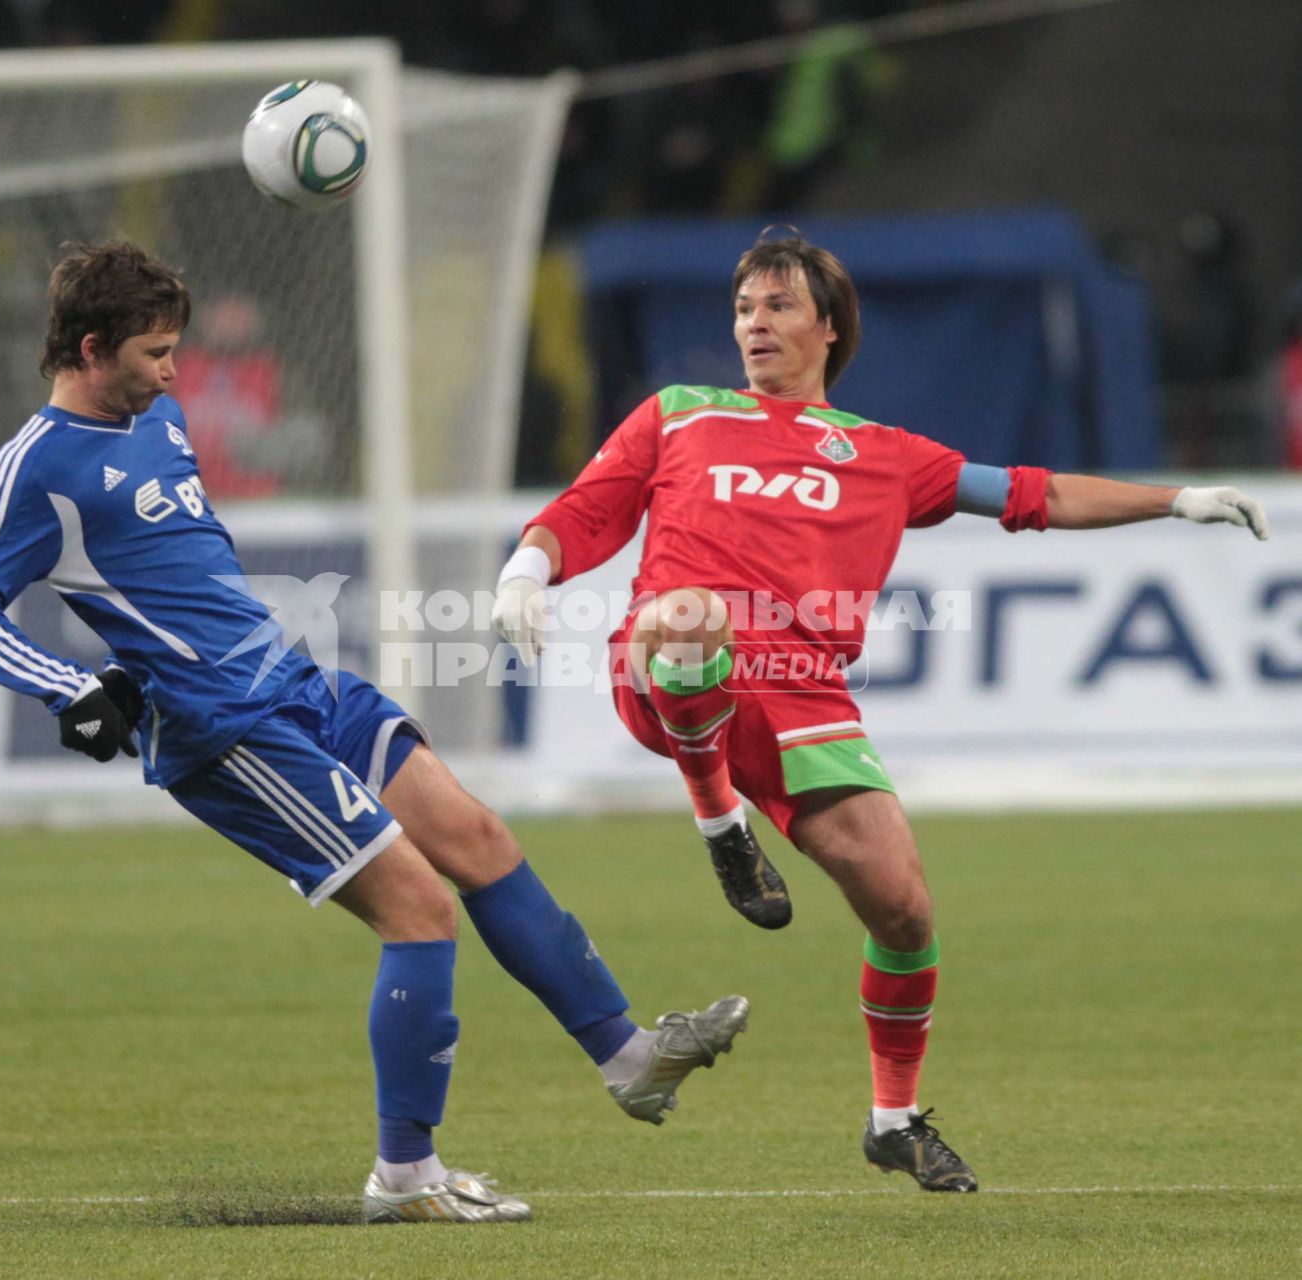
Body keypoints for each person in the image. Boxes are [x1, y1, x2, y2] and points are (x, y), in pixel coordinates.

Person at [0, 240, 749, 1226]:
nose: (172, 369)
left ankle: (629, 1059)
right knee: (419, 908)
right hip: (225, 728)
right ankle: (403, 1176)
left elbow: (179, 564)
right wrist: (70, 686)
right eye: (154, 351)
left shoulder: (161, 416)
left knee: (477, 838)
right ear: (91, 346)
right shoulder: (37, 465)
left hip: (295, 683)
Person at [491, 230, 1269, 1193]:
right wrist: (530, 566)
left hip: (806, 697)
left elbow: (1037, 493)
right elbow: (591, 505)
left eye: (776, 305)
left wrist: (1178, 499)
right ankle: (720, 822)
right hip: (670, 663)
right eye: (743, 308)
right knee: (689, 619)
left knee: (903, 911)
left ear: (827, 325)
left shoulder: (885, 456)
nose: (754, 323)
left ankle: (893, 1120)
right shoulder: (681, 414)